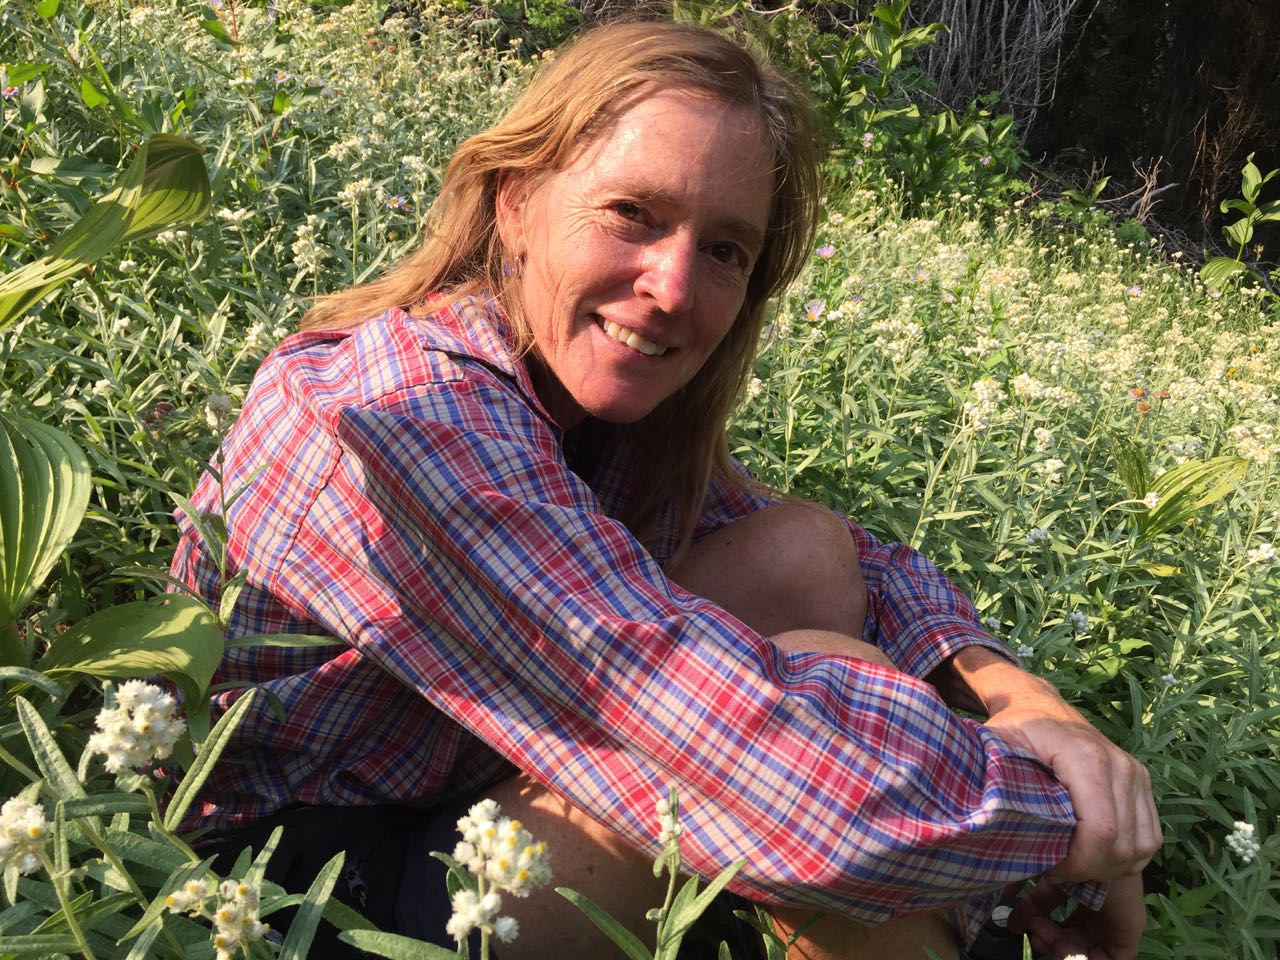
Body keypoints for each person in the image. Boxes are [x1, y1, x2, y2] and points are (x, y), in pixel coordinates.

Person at [170, 20, 1161, 960]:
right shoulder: (408, 416)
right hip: (271, 892)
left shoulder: (580, 404)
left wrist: (1023, 702)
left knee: (801, 557)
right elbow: (775, 776)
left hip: (446, 771)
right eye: (632, 215)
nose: (676, 288)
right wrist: (1073, 823)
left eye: (722, 249)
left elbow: (852, 560)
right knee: (794, 753)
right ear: (514, 201)